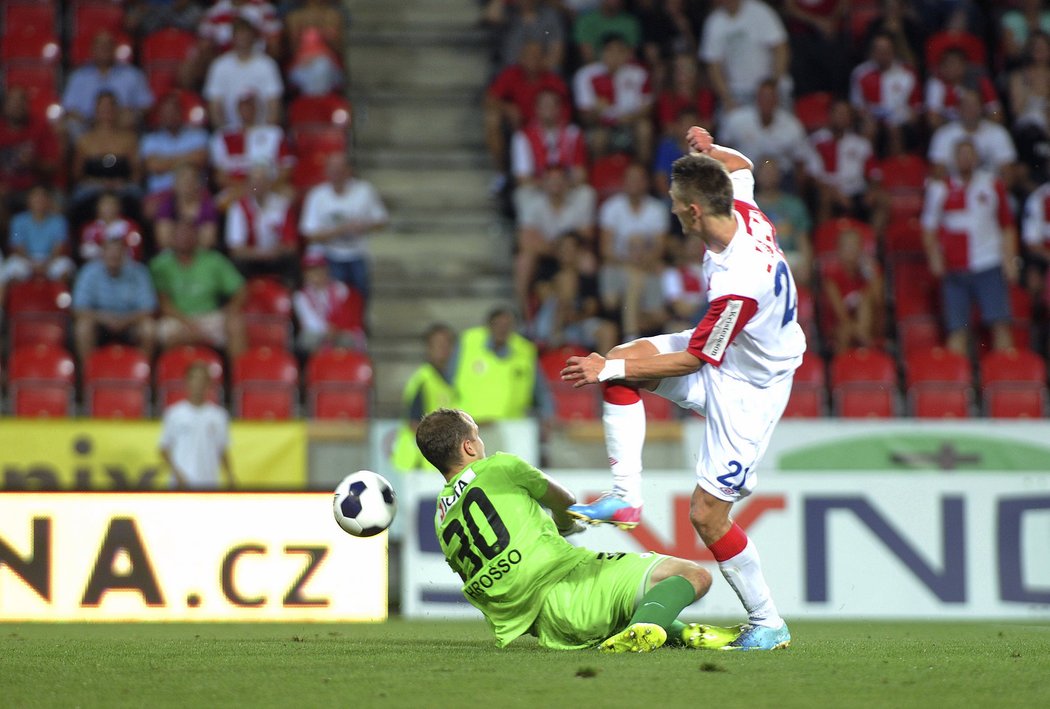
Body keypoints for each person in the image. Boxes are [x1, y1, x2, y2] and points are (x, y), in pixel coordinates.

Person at [560, 126, 803, 651]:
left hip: (752, 387)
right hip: (729, 354)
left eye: (674, 203)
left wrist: (606, 373)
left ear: (694, 211)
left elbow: (696, 358)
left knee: (706, 515)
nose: (670, 210)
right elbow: (742, 166)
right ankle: (626, 500)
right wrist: (708, 149)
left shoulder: (740, 278)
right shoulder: (738, 206)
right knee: (625, 360)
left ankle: (768, 622)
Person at [417, 407, 743, 652]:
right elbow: (565, 499)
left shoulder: (442, 520)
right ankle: (647, 628)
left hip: (547, 626)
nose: (481, 442)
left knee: (626, 600)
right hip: (569, 585)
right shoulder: (500, 467)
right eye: (477, 434)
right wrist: (565, 524)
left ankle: (684, 633)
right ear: (469, 448)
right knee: (694, 576)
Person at [921, 140, 1018, 355]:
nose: (965, 159)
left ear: (976, 157)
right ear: (954, 159)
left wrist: (1010, 260)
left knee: (1000, 324)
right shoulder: (939, 188)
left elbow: (1006, 225)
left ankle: (1005, 380)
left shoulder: (992, 184)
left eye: (969, 154)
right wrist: (934, 258)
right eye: (961, 154)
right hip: (955, 267)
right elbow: (929, 228)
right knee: (957, 330)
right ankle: (956, 384)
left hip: (989, 262)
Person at [299, 152, 388, 300]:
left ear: (349, 170)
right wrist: (339, 230)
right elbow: (309, 234)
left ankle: (358, 323)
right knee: (335, 300)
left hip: (358, 253)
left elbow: (381, 221)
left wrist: (364, 226)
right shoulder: (317, 196)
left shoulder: (364, 191)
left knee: (360, 297)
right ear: (326, 171)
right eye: (333, 169)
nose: (336, 174)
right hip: (329, 255)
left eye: (340, 170)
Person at [150, 220, 247, 356]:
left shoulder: (214, 260)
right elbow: (162, 303)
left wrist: (230, 310)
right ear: (172, 238)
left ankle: (239, 375)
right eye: (180, 235)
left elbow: (240, 289)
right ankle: (166, 374)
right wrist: (189, 324)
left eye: (189, 234)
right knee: (163, 333)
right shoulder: (159, 265)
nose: (184, 238)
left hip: (209, 317)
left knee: (235, 324)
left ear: (197, 237)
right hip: (176, 318)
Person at [597, 162, 669, 341]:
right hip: (617, 267)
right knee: (634, 278)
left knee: (639, 280)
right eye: (630, 179)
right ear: (623, 182)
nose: (634, 183)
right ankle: (632, 335)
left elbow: (659, 249)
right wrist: (631, 260)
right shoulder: (612, 207)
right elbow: (606, 250)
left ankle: (630, 334)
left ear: (646, 182)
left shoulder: (656, 209)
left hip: (645, 266)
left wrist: (641, 260)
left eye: (638, 179)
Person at [451, 307, 552, 425]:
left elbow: (540, 391)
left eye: (507, 325)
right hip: (470, 425)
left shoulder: (525, 351)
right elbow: (448, 379)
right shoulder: (468, 342)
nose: (502, 329)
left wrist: (548, 416)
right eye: (498, 324)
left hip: (511, 427)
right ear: (489, 325)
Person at [72, 236, 157, 363]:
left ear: (125, 254)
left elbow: (149, 308)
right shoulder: (89, 272)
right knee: (82, 327)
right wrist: (103, 318)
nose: (114, 255)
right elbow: (78, 309)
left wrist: (125, 320)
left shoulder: (138, 272)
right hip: (99, 323)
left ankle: (143, 374)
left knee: (149, 328)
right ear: (102, 253)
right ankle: (88, 374)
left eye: (118, 252)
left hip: (130, 323)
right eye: (110, 251)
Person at [573, 34, 653, 161]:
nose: (615, 56)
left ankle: (642, 171)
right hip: (602, 125)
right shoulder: (586, 75)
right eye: (610, 51)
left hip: (631, 122)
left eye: (620, 51)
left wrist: (628, 118)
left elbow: (647, 108)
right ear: (601, 53)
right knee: (599, 138)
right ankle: (598, 175)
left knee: (645, 129)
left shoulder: (639, 73)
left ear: (627, 53)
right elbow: (585, 116)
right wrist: (596, 113)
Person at [390, 324, 458, 472]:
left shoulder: (448, 382)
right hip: (417, 461)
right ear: (428, 348)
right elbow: (415, 424)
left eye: (447, 343)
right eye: (438, 344)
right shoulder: (423, 380)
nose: (443, 348)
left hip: (433, 463)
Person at [699, 0, 790, 110]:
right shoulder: (714, 22)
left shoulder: (760, 11)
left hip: (770, 86)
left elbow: (780, 48)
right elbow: (714, 66)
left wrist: (774, 83)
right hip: (738, 93)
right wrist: (726, 98)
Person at [61, 31, 154, 137]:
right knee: (69, 125)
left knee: (131, 120)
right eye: (100, 46)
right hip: (87, 125)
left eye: (108, 45)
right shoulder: (78, 77)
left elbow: (146, 104)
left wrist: (133, 114)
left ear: (115, 48)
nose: (104, 49)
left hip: (121, 124)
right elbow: (69, 107)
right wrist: (87, 120)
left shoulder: (132, 75)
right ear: (92, 50)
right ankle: (83, 153)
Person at [159, 362, 235, 489]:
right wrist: (177, 474)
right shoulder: (174, 413)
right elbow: (164, 448)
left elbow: (222, 449)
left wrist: (230, 476)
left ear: (209, 384)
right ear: (186, 382)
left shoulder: (219, 416)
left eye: (202, 380)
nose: (198, 384)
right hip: (181, 485)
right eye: (194, 379)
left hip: (208, 483)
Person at [203, 17, 283, 130]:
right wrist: (224, 133)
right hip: (231, 131)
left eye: (246, 34)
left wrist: (266, 133)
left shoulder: (267, 65)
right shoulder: (219, 66)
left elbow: (274, 104)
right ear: (232, 38)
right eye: (239, 34)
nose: (243, 38)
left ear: (253, 37)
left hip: (262, 131)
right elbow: (214, 105)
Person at [819, 228, 882, 353]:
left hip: (868, 328)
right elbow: (842, 317)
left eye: (855, 246)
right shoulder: (831, 277)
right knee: (845, 333)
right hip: (840, 328)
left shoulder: (869, 274)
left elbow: (880, 306)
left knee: (866, 297)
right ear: (838, 250)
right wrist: (861, 333)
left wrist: (872, 276)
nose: (852, 251)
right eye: (847, 246)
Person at [291, 249, 366, 353]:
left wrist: (336, 329)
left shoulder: (341, 289)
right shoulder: (300, 296)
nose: (316, 274)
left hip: (339, 331)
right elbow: (309, 322)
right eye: (311, 271)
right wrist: (328, 330)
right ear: (305, 275)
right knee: (307, 339)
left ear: (326, 270)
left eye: (319, 270)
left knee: (348, 339)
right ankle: (314, 368)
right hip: (318, 333)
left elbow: (348, 315)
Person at [140, 92, 210, 196]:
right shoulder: (151, 139)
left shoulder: (198, 135)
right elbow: (154, 166)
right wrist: (188, 159)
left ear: (181, 112)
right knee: (151, 208)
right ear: (160, 115)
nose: (170, 116)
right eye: (166, 112)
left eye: (173, 111)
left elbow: (200, 159)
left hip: (195, 193)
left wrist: (165, 161)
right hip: (161, 193)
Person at [1, 186, 75, 284]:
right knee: (12, 269)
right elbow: (17, 246)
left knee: (65, 268)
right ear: (28, 200)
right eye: (35, 197)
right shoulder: (18, 220)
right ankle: (16, 298)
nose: (39, 200)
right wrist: (32, 264)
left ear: (49, 200)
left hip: (51, 259)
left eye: (43, 197)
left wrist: (46, 264)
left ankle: (60, 297)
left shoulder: (59, 220)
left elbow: (59, 246)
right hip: (25, 259)